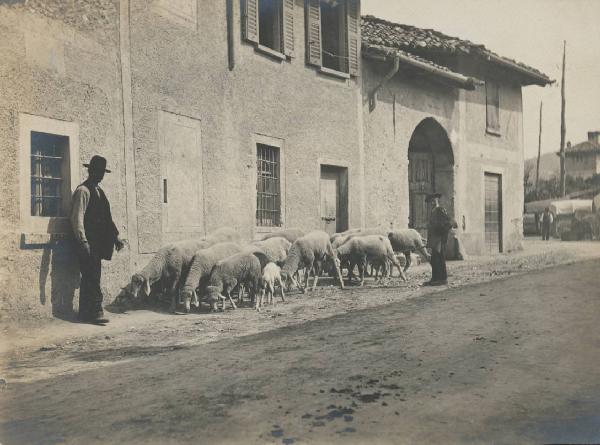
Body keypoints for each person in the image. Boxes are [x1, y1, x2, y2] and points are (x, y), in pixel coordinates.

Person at [71, 155, 124, 325]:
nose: (100, 175)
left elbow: (107, 219)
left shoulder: (99, 192)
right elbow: (76, 218)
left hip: (98, 244)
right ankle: (93, 312)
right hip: (87, 243)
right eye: (98, 172)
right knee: (90, 277)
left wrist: (116, 237)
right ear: (90, 171)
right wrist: (82, 241)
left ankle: (87, 313)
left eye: (103, 173)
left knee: (93, 276)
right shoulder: (83, 191)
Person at [424, 192, 452, 286]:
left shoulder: (440, 210)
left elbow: (448, 223)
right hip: (434, 239)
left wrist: (441, 234)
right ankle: (435, 278)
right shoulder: (433, 211)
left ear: (437, 200)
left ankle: (443, 279)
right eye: (430, 201)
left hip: (439, 239)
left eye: (434, 200)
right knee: (434, 259)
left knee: (439, 258)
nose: (432, 202)